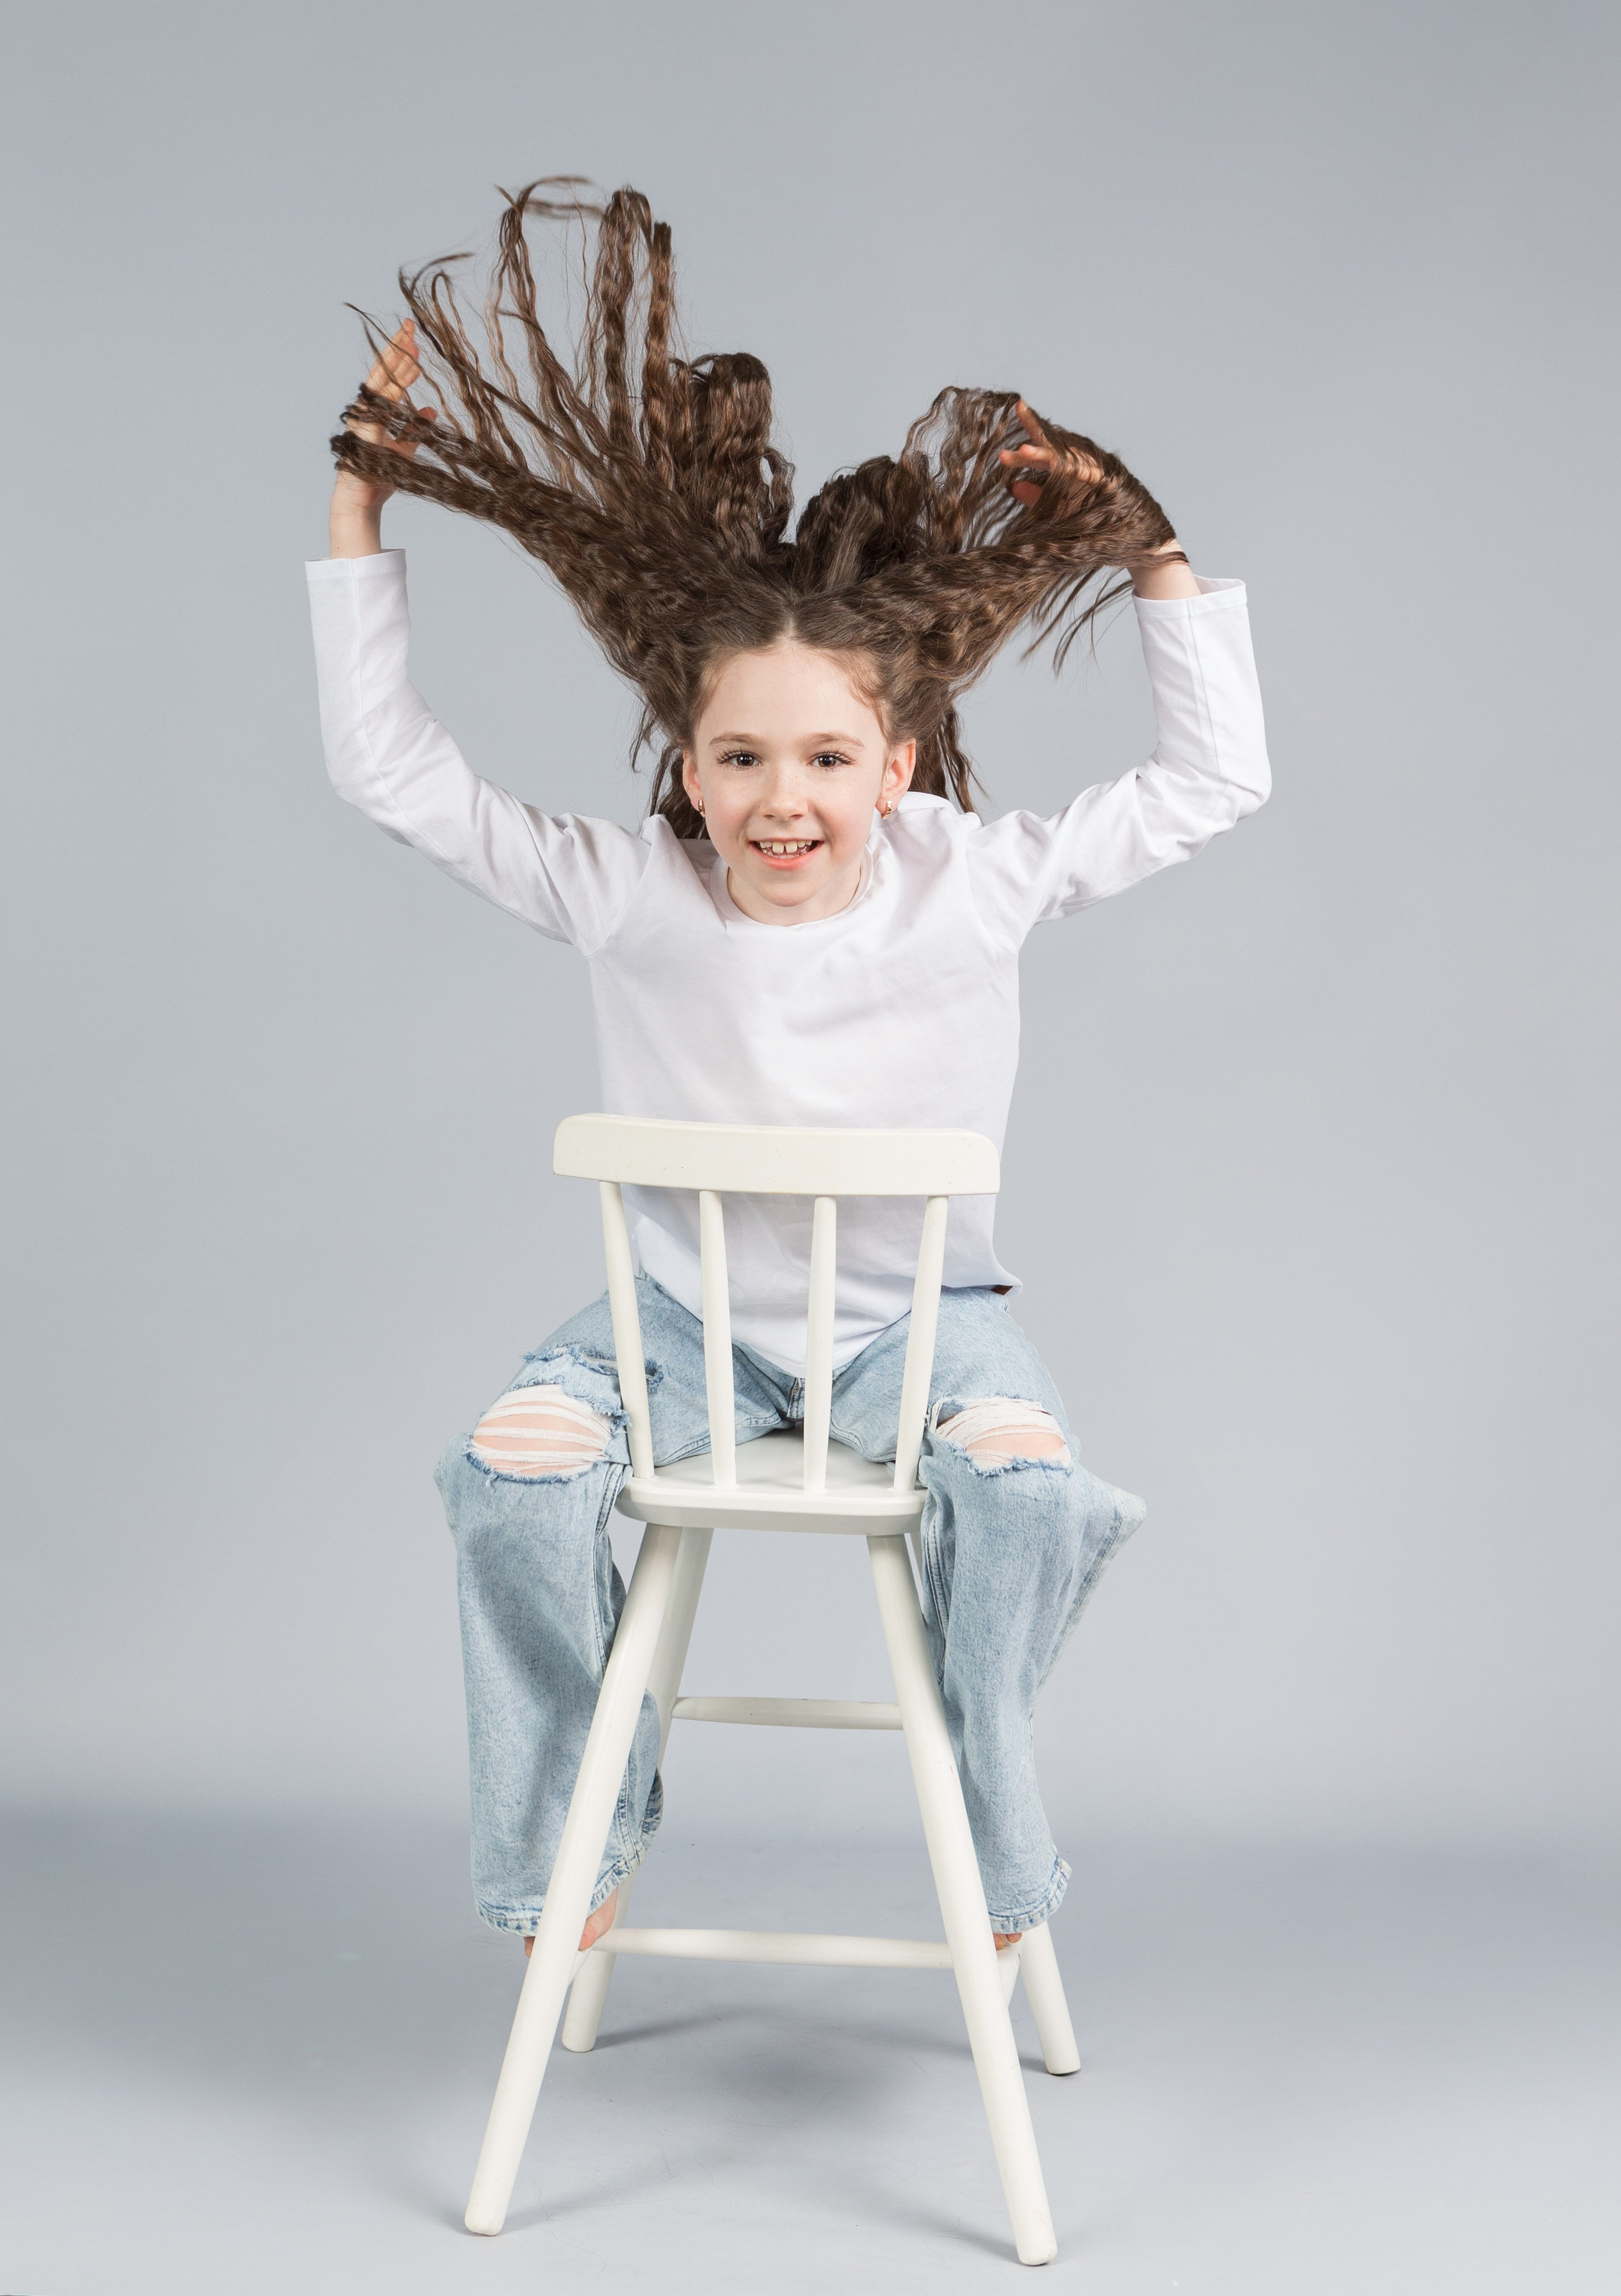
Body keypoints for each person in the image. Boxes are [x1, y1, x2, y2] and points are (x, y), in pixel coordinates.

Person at [307, 179, 1269, 1962]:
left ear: (898, 765)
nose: (783, 799)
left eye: (826, 756)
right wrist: (363, 499)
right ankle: (578, 1832)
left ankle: (989, 1803)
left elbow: (1209, 789)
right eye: (739, 756)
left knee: (1037, 1488)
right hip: (671, 1316)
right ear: (685, 768)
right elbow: (397, 778)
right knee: (510, 1472)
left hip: (924, 1324)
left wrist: (1154, 561)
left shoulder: (973, 882)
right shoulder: (625, 894)